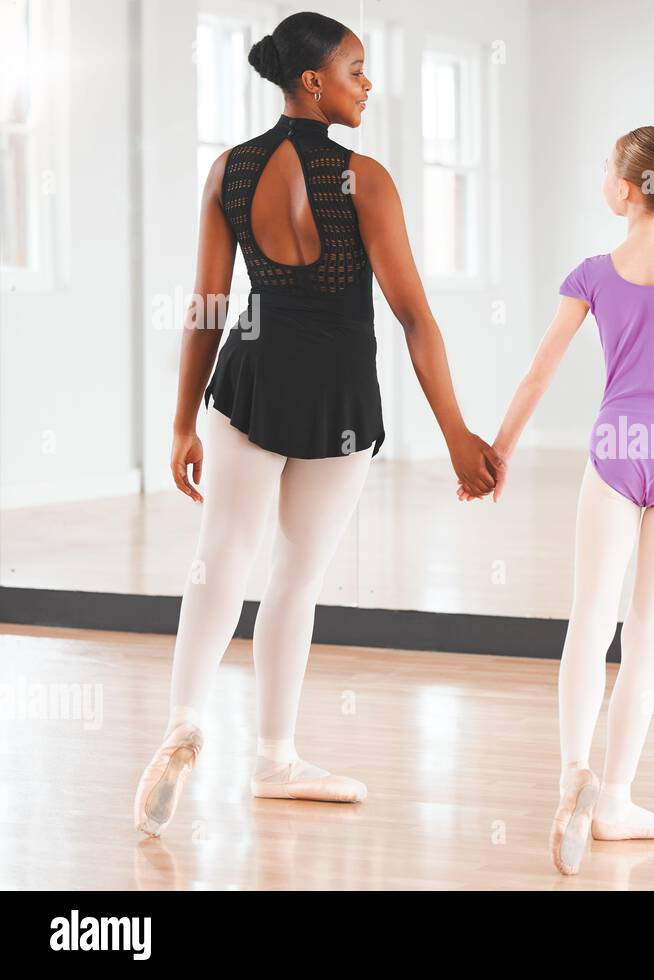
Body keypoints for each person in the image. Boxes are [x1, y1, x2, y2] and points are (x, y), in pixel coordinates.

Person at [133, 12, 500, 838]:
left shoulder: (229, 169)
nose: (368, 86)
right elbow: (414, 318)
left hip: (250, 379)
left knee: (218, 559)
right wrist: (457, 436)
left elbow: (207, 307)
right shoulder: (363, 179)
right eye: (357, 71)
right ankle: (274, 759)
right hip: (336, 393)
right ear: (313, 81)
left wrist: (182, 421)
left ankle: (183, 723)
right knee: (295, 576)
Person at [467, 126, 654, 874]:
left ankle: (576, 773)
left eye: (607, 168)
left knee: (588, 621)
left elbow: (539, 373)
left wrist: (498, 451)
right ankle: (617, 802)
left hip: (612, 453)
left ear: (629, 189)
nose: (602, 177)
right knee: (647, 634)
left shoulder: (591, 274)